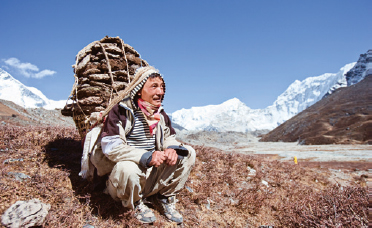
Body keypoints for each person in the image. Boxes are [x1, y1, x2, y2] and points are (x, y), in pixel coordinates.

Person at [89, 66, 196, 224]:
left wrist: (171, 148)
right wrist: (146, 156)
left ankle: (164, 197)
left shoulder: (160, 113)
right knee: (127, 168)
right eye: (154, 86)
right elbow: (111, 147)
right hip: (124, 179)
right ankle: (134, 203)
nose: (160, 92)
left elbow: (169, 137)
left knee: (187, 153)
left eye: (162, 87)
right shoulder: (121, 111)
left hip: (150, 174)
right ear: (139, 90)